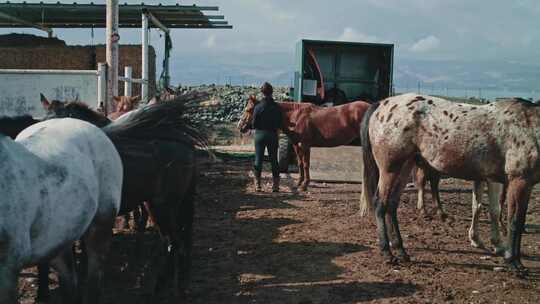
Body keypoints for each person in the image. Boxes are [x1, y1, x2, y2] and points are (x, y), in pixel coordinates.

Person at [252, 82, 283, 192]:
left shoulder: (258, 107)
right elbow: (280, 123)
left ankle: (258, 185)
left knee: (258, 159)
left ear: (262, 93)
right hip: (272, 135)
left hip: (260, 134)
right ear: (272, 92)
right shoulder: (277, 107)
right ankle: (275, 186)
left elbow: (254, 124)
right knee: (274, 160)